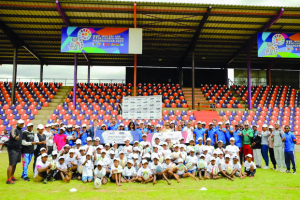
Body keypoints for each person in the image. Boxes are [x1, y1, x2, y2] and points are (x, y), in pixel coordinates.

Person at [6, 120, 24, 184]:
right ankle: (8, 179)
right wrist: (15, 137)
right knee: (11, 164)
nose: (22, 125)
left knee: (15, 163)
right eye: (21, 124)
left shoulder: (21, 131)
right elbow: (13, 134)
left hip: (18, 149)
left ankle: (12, 176)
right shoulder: (14, 129)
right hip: (13, 149)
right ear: (17, 124)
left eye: (23, 124)